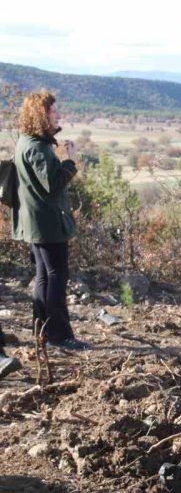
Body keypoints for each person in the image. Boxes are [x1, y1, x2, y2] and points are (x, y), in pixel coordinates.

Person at [11, 90, 85, 350]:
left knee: (44, 275)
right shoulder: (37, 148)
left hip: (37, 222)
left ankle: (41, 330)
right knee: (56, 275)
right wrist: (70, 162)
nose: (59, 115)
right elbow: (53, 185)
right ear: (41, 114)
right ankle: (59, 336)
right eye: (54, 112)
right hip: (47, 223)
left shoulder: (28, 141)